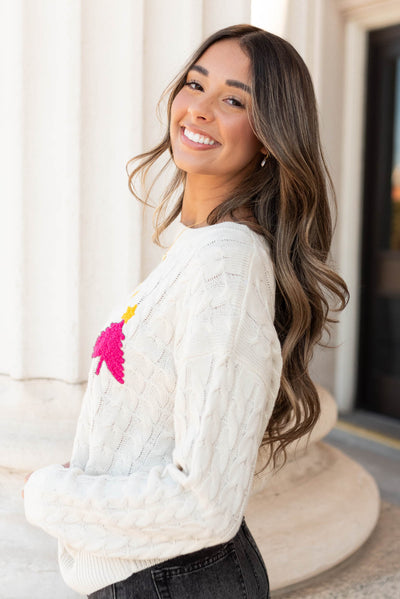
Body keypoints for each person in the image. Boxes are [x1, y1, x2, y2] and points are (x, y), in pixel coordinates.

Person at [23, 24, 348, 599]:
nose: (197, 110)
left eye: (232, 100)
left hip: (172, 580)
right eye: (194, 85)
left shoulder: (229, 266)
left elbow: (205, 501)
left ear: (270, 136)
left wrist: (50, 495)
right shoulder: (200, 250)